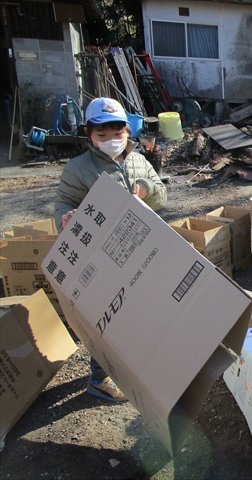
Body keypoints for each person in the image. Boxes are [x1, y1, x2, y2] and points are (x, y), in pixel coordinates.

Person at [54, 97, 167, 402]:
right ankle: (99, 378)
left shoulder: (138, 160)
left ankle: (133, 365)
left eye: (117, 134)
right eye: (101, 135)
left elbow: (162, 197)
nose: (111, 141)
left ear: (128, 132)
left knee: (139, 312)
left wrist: (145, 188)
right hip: (104, 256)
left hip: (141, 249)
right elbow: (64, 204)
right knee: (108, 319)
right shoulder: (78, 168)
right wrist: (66, 218)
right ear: (89, 135)